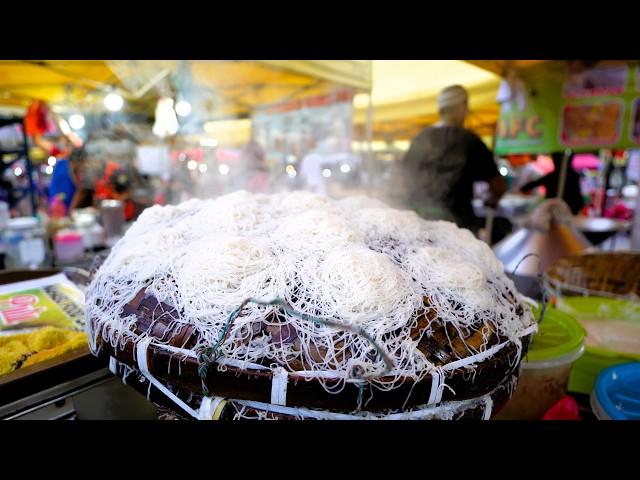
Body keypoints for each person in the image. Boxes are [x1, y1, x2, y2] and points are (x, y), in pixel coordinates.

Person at [401, 85, 507, 234]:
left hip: (419, 224)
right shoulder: (470, 141)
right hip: (459, 226)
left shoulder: (421, 138)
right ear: (462, 107)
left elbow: (402, 180)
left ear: (441, 110)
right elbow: (498, 186)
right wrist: (492, 199)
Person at [520, 151, 584, 215]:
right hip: (561, 209)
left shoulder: (554, 175)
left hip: (561, 209)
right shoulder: (572, 175)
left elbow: (531, 184)